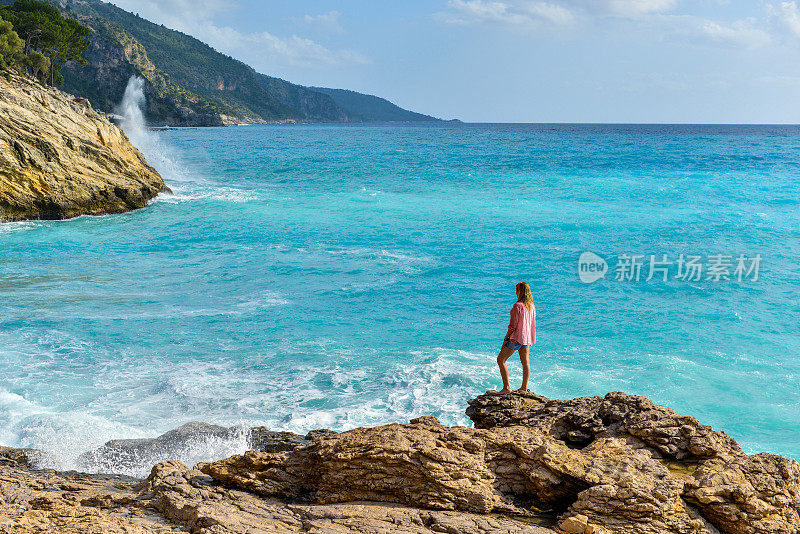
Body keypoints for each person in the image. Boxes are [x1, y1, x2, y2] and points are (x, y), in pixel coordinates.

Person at [496, 282, 536, 394]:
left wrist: (506, 338)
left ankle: (506, 388)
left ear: (518, 291)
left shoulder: (517, 306)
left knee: (501, 360)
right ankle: (524, 387)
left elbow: (512, 326)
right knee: (525, 363)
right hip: (527, 337)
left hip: (517, 337)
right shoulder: (531, 306)